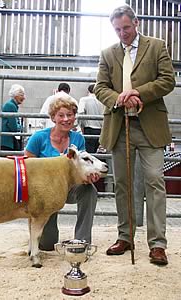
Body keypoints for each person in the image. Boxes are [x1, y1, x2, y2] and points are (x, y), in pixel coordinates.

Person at [94, 4, 175, 266]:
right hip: (120, 126)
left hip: (150, 126)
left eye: (126, 28)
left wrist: (138, 92)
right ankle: (125, 237)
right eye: (117, 29)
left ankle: (158, 244)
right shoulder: (108, 53)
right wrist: (118, 98)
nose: (123, 33)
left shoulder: (157, 46)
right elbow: (99, 87)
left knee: (154, 181)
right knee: (123, 185)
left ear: (136, 22)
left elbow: (167, 81)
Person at [24, 92, 100, 251]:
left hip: (70, 188)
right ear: (53, 118)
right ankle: (37, 234)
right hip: (45, 193)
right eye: (61, 115)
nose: (66, 119)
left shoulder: (78, 139)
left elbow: (82, 166)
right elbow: (26, 166)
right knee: (48, 245)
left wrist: (88, 176)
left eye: (70, 115)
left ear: (74, 117)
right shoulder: (38, 138)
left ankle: (82, 241)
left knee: (89, 191)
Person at [0, 84, 25, 151]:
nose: (24, 98)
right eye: (22, 95)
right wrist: (21, 127)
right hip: (5, 143)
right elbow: (14, 127)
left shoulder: (11, 105)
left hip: (4, 141)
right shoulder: (11, 106)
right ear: (15, 96)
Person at [78, 83, 104, 153]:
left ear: (88, 91)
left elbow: (80, 113)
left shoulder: (84, 100)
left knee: (89, 152)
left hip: (89, 128)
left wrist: (81, 126)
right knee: (97, 151)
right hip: (101, 130)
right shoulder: (102, 100)